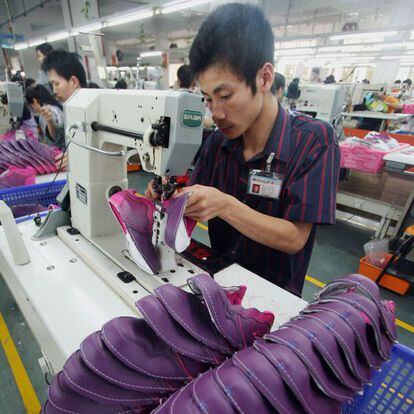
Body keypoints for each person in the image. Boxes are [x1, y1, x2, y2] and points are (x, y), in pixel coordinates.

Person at [145, 3, 340, 297]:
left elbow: (295, 238)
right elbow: (194, 202)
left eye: (225, 96)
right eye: (208, 99)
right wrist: (169, 199)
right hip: (217, 283)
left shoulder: (313, 141)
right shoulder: (217, 142)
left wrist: (224, 205)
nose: (216, 113)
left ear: (264, 78)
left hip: (276, 298)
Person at [42, 49, 87, 170]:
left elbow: (112, 152)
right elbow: (61, 141)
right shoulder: (70, 109)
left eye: (56, 84)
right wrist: (50, 122)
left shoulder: (95, 108)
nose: (54, 90)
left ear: (73, 81)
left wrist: (79, 158)